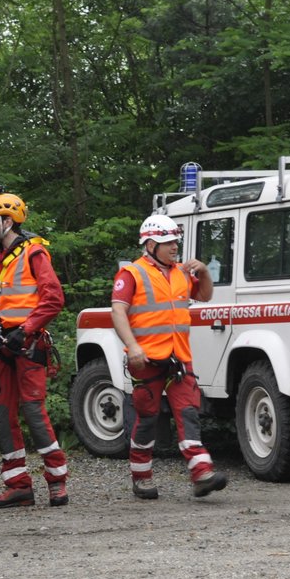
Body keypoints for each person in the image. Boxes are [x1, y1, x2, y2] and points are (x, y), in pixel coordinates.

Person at [0, 192, 70, 508]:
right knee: (3, 415)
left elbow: (54, 298)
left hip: (27, 345)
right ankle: (18, 485)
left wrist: (26, 330)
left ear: (7, 221)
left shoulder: (34, 254)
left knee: (33, 411)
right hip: (0, 346)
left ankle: (57, 482)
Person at [110, 213, 228, 500]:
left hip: (178, 357)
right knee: (147, 417)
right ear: (150, 245)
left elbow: (206, 296)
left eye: (175, 241)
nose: (174, 247)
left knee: (188, 412)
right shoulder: (132, 273)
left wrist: (206, 273)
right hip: (146, 359)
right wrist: (133, 347)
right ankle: (142, 476)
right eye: (167, 242)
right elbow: (118, 311)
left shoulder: (181, 272)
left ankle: (202, 473)